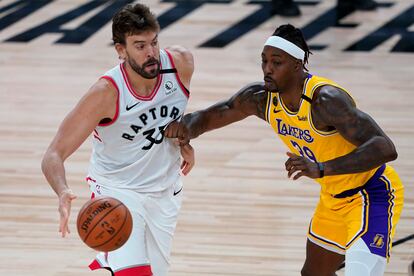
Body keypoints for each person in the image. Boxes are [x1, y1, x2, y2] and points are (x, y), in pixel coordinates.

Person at [165, 24, 404, 275]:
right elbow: (213, 115)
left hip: (372, 193)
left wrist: (321, 169)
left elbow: (384, 147)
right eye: (264, 61)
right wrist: (184, 129)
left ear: (297, 65)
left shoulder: (325, 100)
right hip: (334, 197)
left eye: (276, 62)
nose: (267, 69)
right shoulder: (261, 98)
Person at [41, 3, 195, 276]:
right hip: (118, 193)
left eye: (154, 42)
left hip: (165, 190)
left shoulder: (181, 64)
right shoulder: (105, 94)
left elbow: (173, 120)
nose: (151, 54)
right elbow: (53, 154)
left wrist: (185, 140)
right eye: (139, 46)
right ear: (121, 51)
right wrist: (63, 191)